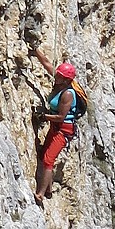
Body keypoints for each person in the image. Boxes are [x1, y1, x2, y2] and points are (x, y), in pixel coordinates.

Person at [30, 47, 78, 205]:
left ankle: (41, 194)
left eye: (60, 75)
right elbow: (46, 64)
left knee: (48, 160)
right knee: (44, 153)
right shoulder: (59, 83)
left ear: (65, 80)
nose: (56, 75)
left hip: (63, 131)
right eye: (57, 74)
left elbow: (60, 117)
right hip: (55, 128)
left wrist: (43, 116)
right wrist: (35, 50)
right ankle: (49, 188)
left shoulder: (67, 94)